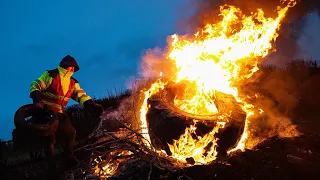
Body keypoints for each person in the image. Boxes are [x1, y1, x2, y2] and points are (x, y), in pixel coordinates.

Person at [29, 54, 103, 170]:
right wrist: (37, 100)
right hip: (46, 113)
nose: (73, 69)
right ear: (65, 66)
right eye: (72, 67)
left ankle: (70, 159)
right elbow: (35, 85)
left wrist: (92, 105)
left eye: (75, 68)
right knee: (50, 139)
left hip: (60, 113)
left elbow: (80, 95)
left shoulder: (73, 82)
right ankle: (51, 165)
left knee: (71, 132)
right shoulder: (51, 75)